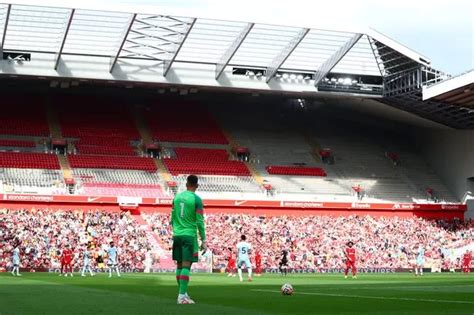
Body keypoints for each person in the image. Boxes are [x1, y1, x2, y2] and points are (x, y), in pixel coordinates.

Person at [171, 175, 206, 305]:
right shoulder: (196, 199)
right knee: (186, 265)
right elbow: (200, 221)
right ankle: (181, 297)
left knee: (179, 265)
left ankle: (183, 292)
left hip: (177, 235)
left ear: (186, 184)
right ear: (196, 186)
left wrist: (176, 231)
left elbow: (172, 218)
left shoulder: (176, 198)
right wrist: (204, 239)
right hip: (189, 235)